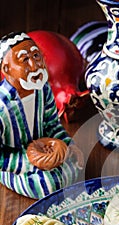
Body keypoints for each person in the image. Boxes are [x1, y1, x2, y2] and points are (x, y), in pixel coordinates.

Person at [0, 32, 84, 199]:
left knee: (76, 164)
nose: (34, 65)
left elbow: (52, 124)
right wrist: (27, 163)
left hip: (46, 152)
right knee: (48, 183)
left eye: (36, 55)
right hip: (17, 163)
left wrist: (69, 145)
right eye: (24, 60)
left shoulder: (43, 90)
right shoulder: (2, 108)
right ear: (7, 69)